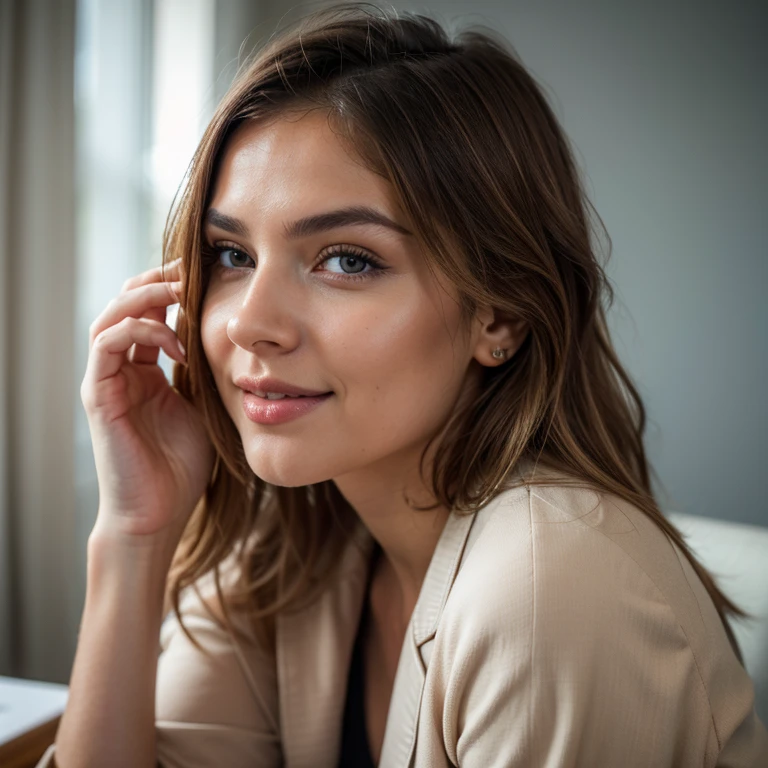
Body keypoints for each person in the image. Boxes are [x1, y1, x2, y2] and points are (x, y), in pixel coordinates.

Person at [40, 3, 768, 767]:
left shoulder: (546, 583)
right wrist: (134, 536)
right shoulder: (297, 548)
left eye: (347, 259)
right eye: (231, 254)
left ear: (501, 316)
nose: (251, 324)